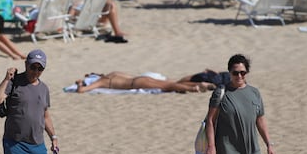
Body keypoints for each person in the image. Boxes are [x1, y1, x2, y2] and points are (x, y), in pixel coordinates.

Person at [72, 71, 215, 93]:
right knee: (170, 82)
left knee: (169, 86)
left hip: (137, 84)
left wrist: (81, 84)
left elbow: (81, 91)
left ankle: (195, 88)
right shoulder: (110, 74)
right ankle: (200, 83)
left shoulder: (102, 82)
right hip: (140, 78)